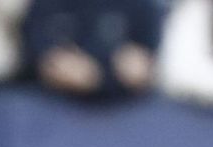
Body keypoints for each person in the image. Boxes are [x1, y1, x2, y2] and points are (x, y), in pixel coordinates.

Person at [22, 0, 164, 100]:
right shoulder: (46, 5)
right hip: (55, 104)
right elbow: (36, 45)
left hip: (128, 107)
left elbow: (145, 59)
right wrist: (51, 63)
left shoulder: (142, 5)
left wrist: (142, 67)